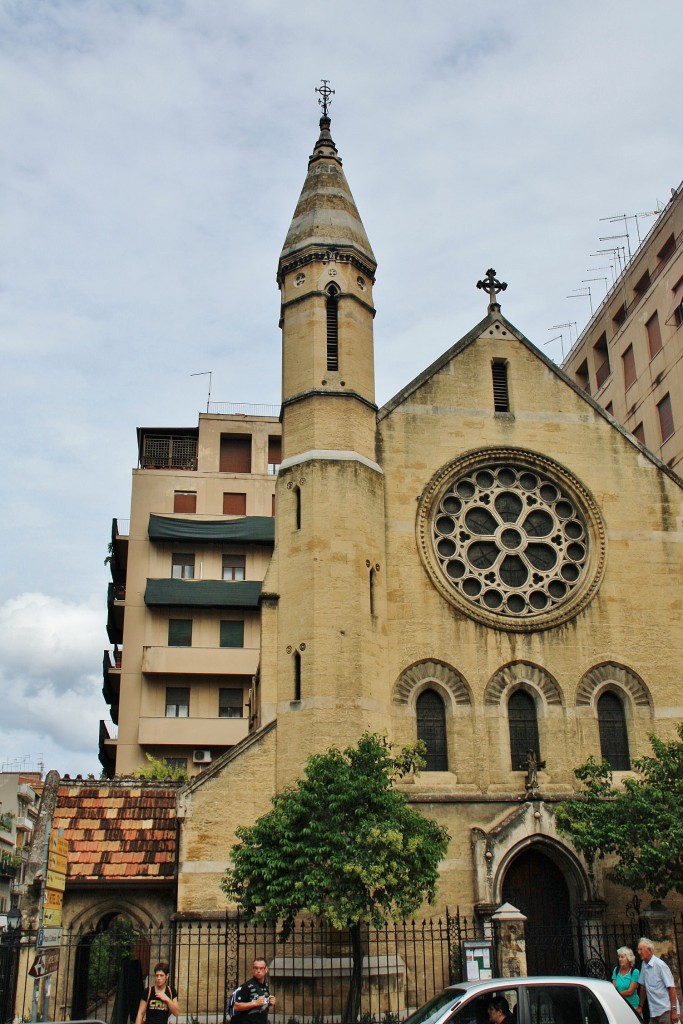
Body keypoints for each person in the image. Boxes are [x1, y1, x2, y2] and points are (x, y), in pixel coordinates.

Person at [637, 937, 680, 1023]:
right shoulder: (644, 965)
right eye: (638, 950)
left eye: (641, 949)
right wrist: (640, 1006)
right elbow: (643, 987)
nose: (639, 952)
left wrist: (674, 1010)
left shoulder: (660, 965)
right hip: (654, 1012)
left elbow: (671, 987)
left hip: (666, 1010)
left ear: (649, 950)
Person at [233, 958, 276, 1024]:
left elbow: (262, 1005)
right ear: (253, 970)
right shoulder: (247, 986)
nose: (258, 971)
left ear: (266, 970)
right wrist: (255, 1003)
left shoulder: (265, 985)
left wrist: (269, 1002)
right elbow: (236, 1006)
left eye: (261, 968)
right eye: (256, 968)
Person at [612, 946, 640, 1010]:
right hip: (619, 1004)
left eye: (622, 957)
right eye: (619, 957)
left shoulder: (635, 972)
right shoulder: (616, 970)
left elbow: (630, 991)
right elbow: (613, 988)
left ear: (629, 959)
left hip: (632, 1006)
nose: (619, 959)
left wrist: (616, 995)